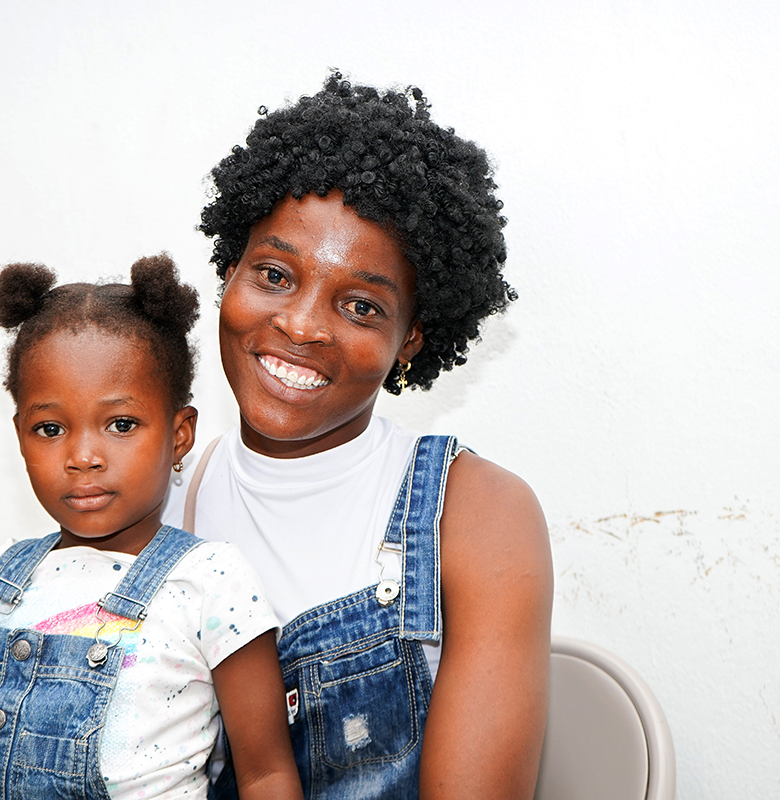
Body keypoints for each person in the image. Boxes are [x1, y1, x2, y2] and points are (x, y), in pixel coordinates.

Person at [165, 74, 554, 799]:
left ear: (410, 341)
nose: (303, 324)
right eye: (275, 274)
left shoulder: (475, 517)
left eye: (361, 306)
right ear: (229, 274)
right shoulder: (159, 503)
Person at [0, 256, 303, 800]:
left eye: (121, 424)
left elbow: (266, 774)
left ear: (179, 434)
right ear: (19, 434)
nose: (83, 456)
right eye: (50, 428)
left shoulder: (210, 583)